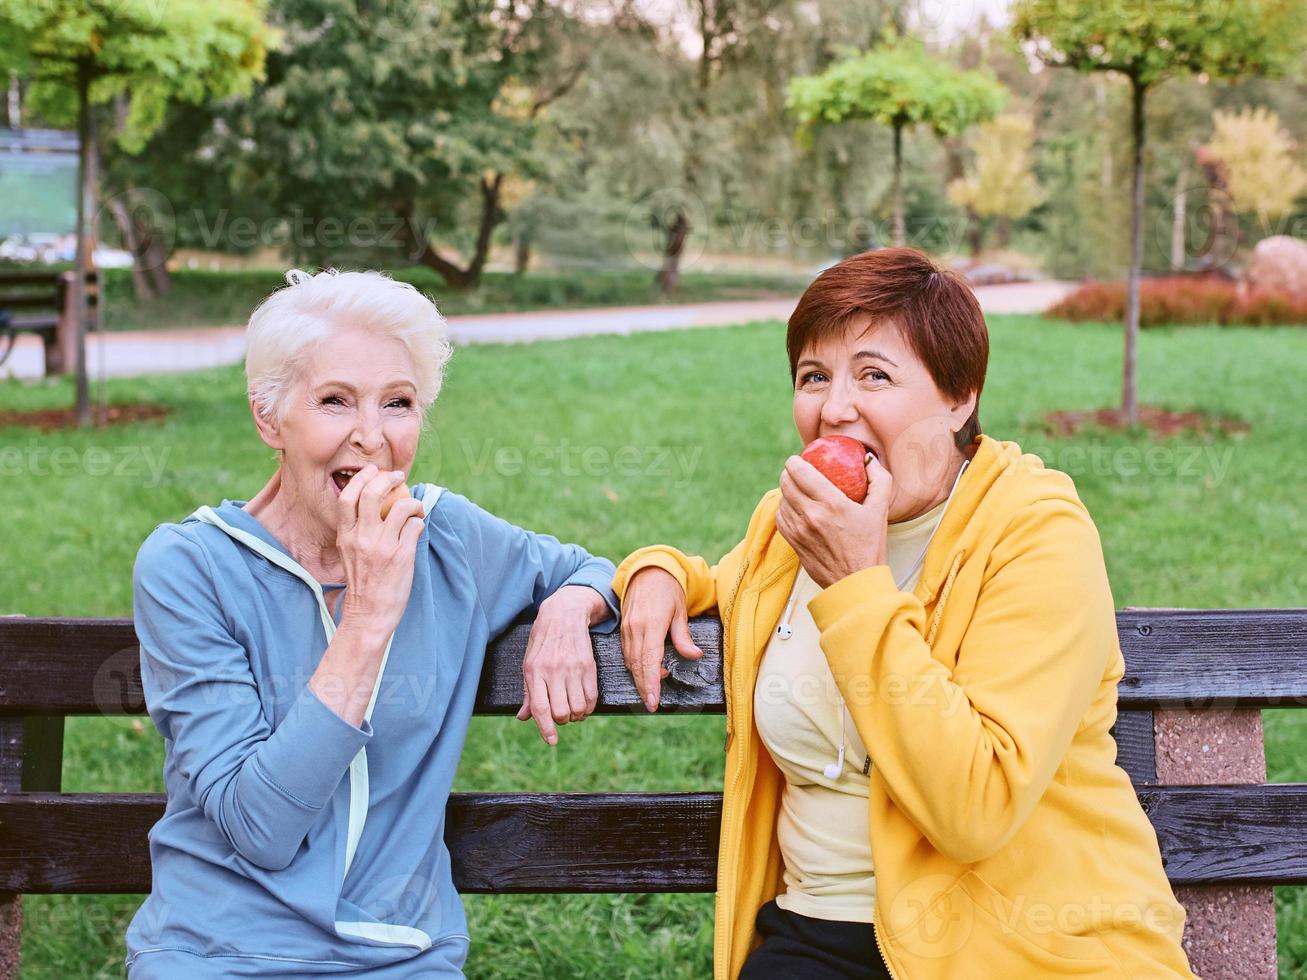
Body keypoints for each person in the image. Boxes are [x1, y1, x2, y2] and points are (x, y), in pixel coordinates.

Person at [613, 248, 1195, 979]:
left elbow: (972, 810)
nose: (833, 408)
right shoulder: (791, 526)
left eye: (873, 376)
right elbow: (722, 580)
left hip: (1021, 949)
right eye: (812, 377)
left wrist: (856, 583)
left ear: (959, 396)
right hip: (816, 939)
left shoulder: (1035, 533)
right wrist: (655, 571)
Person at [125, 269, 617, 978]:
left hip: (400, 957)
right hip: (216, 953)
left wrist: (573, 604)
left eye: (398, 403)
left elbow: (593, 567)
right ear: (270, 418)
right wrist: (369, 615)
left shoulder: (447, 537)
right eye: (334, 401)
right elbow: (257, 828)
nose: (371, 437)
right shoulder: (190, 567)